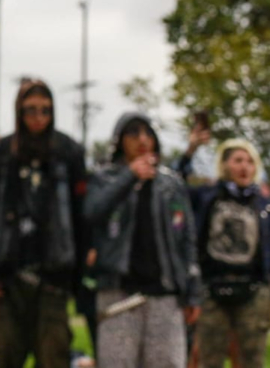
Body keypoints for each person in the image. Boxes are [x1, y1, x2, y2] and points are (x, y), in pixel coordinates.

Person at [0, 78, 87, 368]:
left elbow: (79, 215)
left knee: (53, 355)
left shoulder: (68, 151)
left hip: (54, 274)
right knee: (7, 353)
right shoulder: (1, 153)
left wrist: (76, 275)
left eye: (45, 111)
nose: (38, 118)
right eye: (31, 110)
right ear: (19, 112)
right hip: (8, 275)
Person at [84, 113, 200, 368]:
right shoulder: (105, 178)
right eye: (133, 133)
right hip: (118, 291)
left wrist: (192, 291)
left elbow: (187, 239)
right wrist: (129, 176)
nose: (142, 139)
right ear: (119, 140)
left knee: (168, 362)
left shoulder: (171, 184)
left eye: (148, 133)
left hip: (165, 294)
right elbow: (92, 212)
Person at [190, 139, 270, 368]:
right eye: (238, 160)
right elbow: (176, 186)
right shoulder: (206, 198)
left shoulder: (266, 206)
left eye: (250, 161)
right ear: (224, 165)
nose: (245, 167)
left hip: (254, 291)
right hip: (212, 288)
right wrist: (190, 150)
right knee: (208, 358)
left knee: (251, 360)